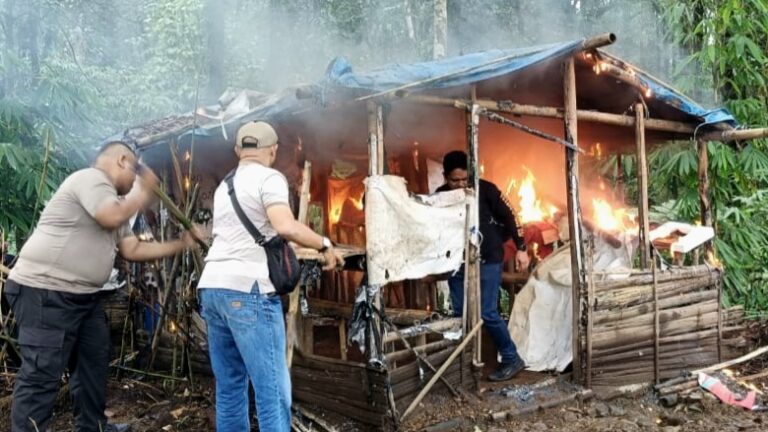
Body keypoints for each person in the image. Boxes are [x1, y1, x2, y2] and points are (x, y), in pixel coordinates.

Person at [5, 141, 201, 432]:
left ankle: (93, 426)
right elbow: (109, 215)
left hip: (83, 297)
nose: (134, 182)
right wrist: (143, 190)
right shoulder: (90, 180)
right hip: (46, 293)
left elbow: (132, 249)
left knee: (92, 362)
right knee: (41, 374)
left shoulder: (112, 202)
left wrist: (180, 243)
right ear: (123, 160)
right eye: (134, 174)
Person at [197, 121, 344, 432]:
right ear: (274, 151)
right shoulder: (269, 177)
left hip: (212, 288)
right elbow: (285, 226)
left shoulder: (226, 185)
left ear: (238, 151)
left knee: (230, 386)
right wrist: (325, 244)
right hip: (248, 291)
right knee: (272, 390)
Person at [436, 150, 530, 381]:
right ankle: (464, 363)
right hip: (456, 260)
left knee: (488, 312)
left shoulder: (486, 189)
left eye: (464, 179)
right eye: (454, 180)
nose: (460, 184)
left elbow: (512, 216)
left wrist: (521, 247)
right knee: (460, 312)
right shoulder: (439, 196)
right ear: (445, 177)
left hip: (488, 257)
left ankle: (511, 358)